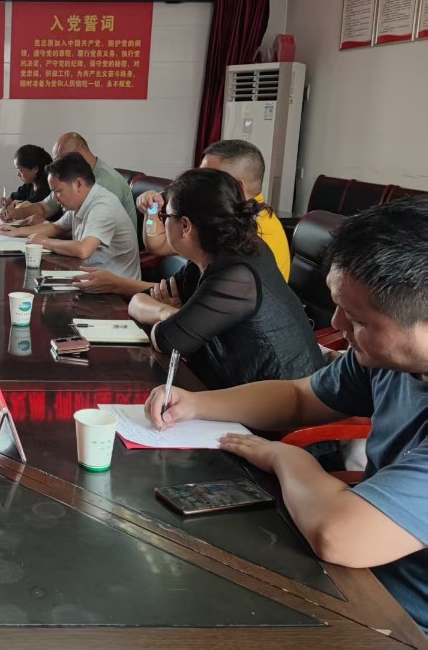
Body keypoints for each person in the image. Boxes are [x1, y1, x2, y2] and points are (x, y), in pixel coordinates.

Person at [144, 197, 428, 634]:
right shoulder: (387, 360)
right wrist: (196, 404)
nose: (337, 325)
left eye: (358, 319)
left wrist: (286, 457)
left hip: (399, 619)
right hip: (350, 580)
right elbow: (299, 397)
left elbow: (340, 535)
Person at [127, 168, 322, 389]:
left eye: (165, 217)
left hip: (282, 398)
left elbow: (167, 340)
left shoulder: (237, 275)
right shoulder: (213, 254)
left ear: (185, 226)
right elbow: (138, 301)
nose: (163, 222)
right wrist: (168, 313)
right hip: (239, 386)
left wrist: (172, 317)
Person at [137, 140, 291, 280]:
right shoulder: (227, 214)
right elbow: (158, 245)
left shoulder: (247, 229)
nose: (197, 184)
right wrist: (152, 208)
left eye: (208, 178)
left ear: (236, 186)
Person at [0, 153, 141, 279]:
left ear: (78, 184)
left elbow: (84, 250)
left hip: (116, 289)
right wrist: (16, 231)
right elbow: (55, 227)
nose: (56, 199)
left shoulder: (103, 205)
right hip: (89, 276)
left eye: (58, 191)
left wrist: (44, 241)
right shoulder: (81, 202)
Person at [3, 132, 136, 228]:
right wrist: (15, 213)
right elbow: (44, 208)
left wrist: (46, 225)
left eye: (63, 160)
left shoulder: (105, 183)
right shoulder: (71, 176)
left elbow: (85, 232)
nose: (58, 167)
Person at [0, 144, 52, 217]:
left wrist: (18, 205)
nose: (18, 174)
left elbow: (24, 208)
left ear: (35, 169)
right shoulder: (29, 185)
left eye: (20, 170)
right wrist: (4, 202)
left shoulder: (47, 190)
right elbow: (13, 198)